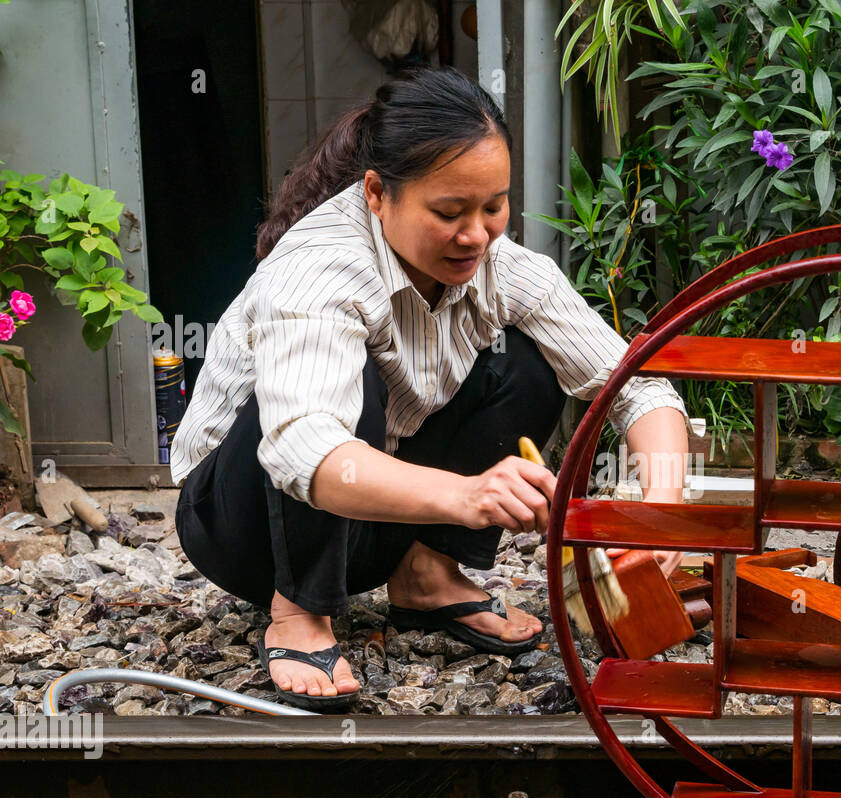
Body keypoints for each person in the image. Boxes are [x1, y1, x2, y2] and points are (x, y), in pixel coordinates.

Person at [170, 65, 688, 711]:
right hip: (244, 530)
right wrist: (469, 493)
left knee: (525, 358)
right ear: (377, 194)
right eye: (449, 212)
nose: (476, 235)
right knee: (348, 384)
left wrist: (659, 512)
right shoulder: (317, 272)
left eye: (493, 206)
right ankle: (299, 610)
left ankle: (427, 575)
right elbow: (303, 449)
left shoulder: (502, 269)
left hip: (373, 524)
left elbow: (635, 385)